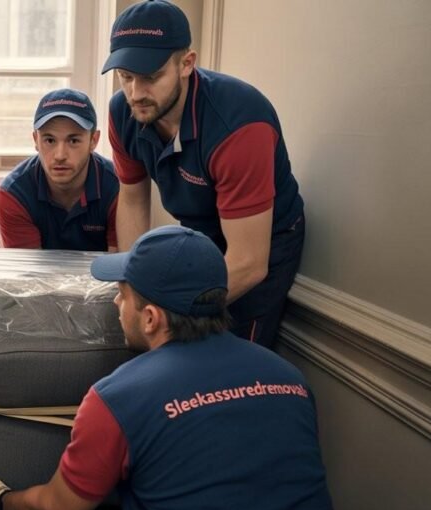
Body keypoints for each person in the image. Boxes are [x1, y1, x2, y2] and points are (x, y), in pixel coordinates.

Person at [0, 225, 353, 510]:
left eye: (122, 294)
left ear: (150, 318)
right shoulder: (289, 379)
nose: (115, 303)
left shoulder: (119, 399)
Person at [104, 0, 305, 348]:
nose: (136, 93)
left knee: (232, 355)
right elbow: (133, 200)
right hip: (201, 234)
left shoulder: (240, 124)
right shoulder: (123, 112)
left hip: (261, 241)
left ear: (186, 64)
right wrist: (136, 287)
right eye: (126, 77)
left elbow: (249, 262)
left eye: (150, 77)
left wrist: (168, 313)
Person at [0, 88, 119, 251]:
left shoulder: (117, 187)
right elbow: (28, 267)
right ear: (36, 140)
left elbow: (119, 263)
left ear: (93, 141)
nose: (60, 155)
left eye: (73, 141)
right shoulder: (15, 193)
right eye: (50, 140)